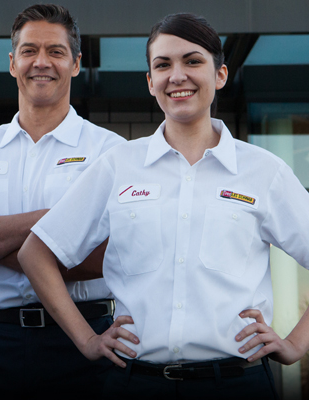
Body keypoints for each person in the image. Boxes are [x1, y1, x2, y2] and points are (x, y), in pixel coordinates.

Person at [20, 13, 309, 399]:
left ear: (220, 74)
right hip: (134, 383)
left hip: (237, 384)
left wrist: (295, 345)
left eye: (192, 61)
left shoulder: (263, 172)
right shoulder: (118, 166)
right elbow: (36, 253)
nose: (177, 76)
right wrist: (88, 341)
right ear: (150, 82)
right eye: (163, 65)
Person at [0, 4, 125, 398]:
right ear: (13, 63)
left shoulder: (111, 153)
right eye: (29, 51)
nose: (41, 62)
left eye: (56, 51)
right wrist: (54, 223)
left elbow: (109, 256)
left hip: (84, 342)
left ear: (76, 63)